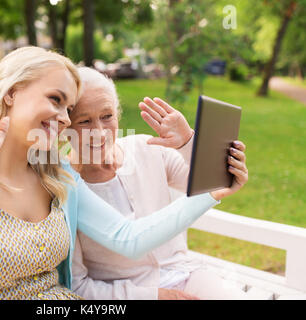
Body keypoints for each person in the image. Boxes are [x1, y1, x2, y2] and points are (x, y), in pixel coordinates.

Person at [0, 47, 226, 300]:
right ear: (11, 93)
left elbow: (127, 237)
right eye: (56, 100)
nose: (68, 119)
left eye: (69, 108)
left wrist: (211, 193)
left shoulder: (55, 177)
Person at [69, 67, 250, 300]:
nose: (100, 132)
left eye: (107, 116)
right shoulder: (66, 189)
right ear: (65, 126)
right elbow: (79, 287)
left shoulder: (145, 147)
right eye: (84, 121)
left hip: (187, 274)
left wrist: (187, 143)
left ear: (118, 113)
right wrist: (154, 296)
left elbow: (207, 184)